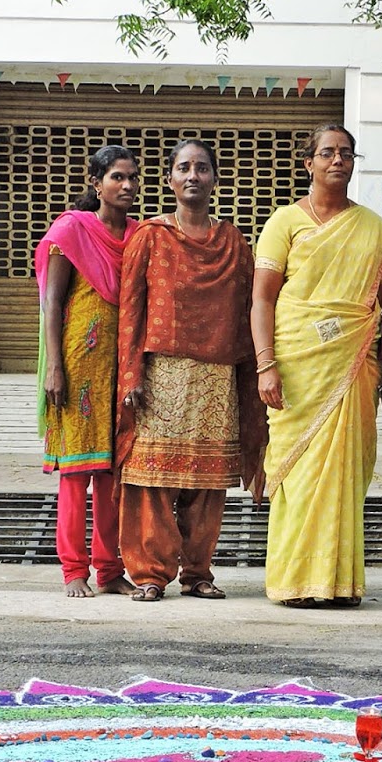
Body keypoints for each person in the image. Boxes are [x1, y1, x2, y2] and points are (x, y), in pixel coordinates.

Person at [251, 125, 382, 607]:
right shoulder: (284, 222)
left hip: (354, 363)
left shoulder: (372, 229)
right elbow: (262, 299)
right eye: (327, 153)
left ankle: (339, 584)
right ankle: (295, 582)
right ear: (309, 163)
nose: (337, 160)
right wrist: (265, 364)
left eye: (346, 153)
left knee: (344, 472)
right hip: (297, 366)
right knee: (298, 472)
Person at [116, 140, 265, 602]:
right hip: (161, 377)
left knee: (208, 481)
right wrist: (131, 374)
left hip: (217, 379)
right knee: (152, 479)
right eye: (184, 168)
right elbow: (131, 311)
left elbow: (250, 312)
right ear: (170, 180)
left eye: (202, 168)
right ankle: (149, 574)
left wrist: (254, 378)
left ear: (214, 178)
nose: (193, 176)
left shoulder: (234, 242)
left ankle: (198, 572)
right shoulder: (151, 236)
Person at [36, 145, 141, 598]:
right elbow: (52, 302)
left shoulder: (140, 235)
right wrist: (54, 368)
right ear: (96, 183)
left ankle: (110, 569)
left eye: (133, 177)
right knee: (77, 473)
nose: (127, 185)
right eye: (117, 177)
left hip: (122, 367)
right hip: (77, 366)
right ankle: (73, 570)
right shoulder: (72, 231)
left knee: (113, 475)